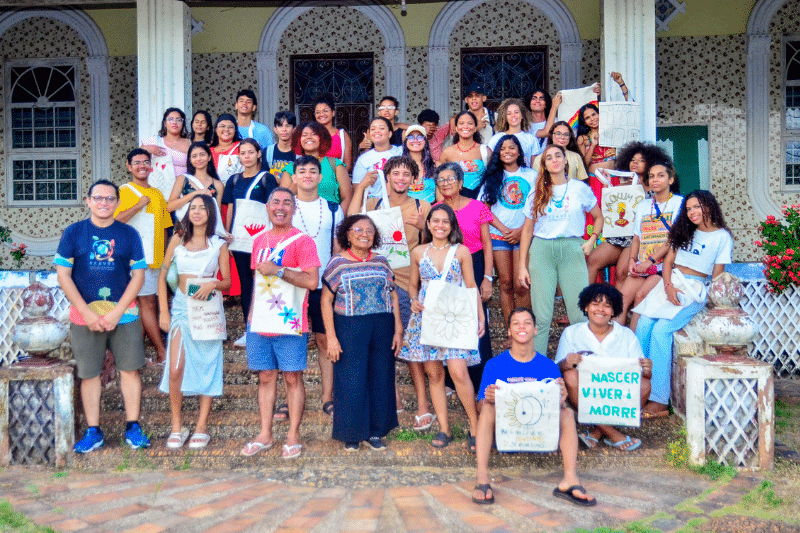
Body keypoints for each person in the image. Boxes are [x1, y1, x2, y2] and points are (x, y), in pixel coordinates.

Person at [55, 180, 150, 453]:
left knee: (130, 370)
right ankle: (93, 431)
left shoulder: (129, 234)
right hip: (84, 315)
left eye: (110, 199)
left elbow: (139, 275)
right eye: (98, 198)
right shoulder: (74, 233)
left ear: (117, 203)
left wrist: (118, 311)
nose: (104, 203)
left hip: (125, 314)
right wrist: (86, 313)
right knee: (89, 374)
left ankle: (133, 427)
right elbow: (63, 275)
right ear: (88, 201)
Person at [472, 307, 595, 507]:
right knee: (486, 408)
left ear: (535, 330)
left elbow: (557, 406)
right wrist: (488, 398)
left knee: (567, 413)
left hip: (538, 424)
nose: (522, 327)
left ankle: (570, 480)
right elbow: (479, 407)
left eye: (527, 323)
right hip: (507, 425)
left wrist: (561, 397)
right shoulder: (494, 365)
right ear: (509, 331)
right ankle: (482, 478)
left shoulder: (548, 366)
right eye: (516, 323)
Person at [349, 155, 432, 426]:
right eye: (395, 173)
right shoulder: (373, 204)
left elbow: (438, 242)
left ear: (413, 179)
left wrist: (424, 228)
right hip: (378, 283)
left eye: (406, 174)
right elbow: (350, 223)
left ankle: (422, 404)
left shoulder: (422, 206)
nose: (400, 179)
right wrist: (361, 188)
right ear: (387, 178)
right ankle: (393, 396)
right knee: (383, 345)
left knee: (412, 347)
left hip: (409, 285)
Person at [635, 190, 732, 418]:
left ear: (709, 206)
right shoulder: (684, 231)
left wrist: (710, 304)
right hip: (670, 283)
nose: (692, 212)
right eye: (688, 209)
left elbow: (716, 277)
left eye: (697, 207)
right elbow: (668, 262)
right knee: (644, 325)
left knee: (661, 331)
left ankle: (659, 400)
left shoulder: (722, 237)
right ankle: (637, 390)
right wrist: (668, 286)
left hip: (694, 289)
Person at [240, 187, 320, 458]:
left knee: (292, 377)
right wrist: (251, 315)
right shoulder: (259, 240)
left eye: (287, 202)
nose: (281, 207)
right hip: (260, 319)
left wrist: (280, 270)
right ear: (267, 206)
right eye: (276, 202)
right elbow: (258, 282)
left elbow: (312, 281)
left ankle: (293, 435)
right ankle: (265, 434)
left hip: (290, 321)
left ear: (294, 209)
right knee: (264, 377)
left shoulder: (303, 241)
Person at [400, 204, 485, 450]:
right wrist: (414, 300)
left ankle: (474, 425)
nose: (440, 225)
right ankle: (444, 428)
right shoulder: (418, 252)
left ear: (452, 225)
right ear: (427, 224)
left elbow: (471, 286)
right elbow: (413, 285)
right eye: (435, 221)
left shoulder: (462, 252)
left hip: (454, 315)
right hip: (426, 318)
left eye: (445, 221)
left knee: (458, 372)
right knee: (435, 375)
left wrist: (479, 317)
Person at [322, 215, 403, 451]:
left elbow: (393, 295)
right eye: (358, 229)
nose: (364, 234)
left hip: (382, 325)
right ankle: (352, 434)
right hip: (349, 327)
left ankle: (376, 432)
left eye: (369, 230)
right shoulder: (337, 263)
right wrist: (331, 337)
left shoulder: (381, 261)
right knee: (350, 379)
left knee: (380, 377)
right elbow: (326, 301)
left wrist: (398, 329)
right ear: (347, 234)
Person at [157, 195, 231, 449]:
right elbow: (163, 274)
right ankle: (177, 426)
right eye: (193, 208)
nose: (197, 211)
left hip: (207, 309)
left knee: (208, 363)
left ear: (211, 213)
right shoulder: (177, 239)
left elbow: (227, 283)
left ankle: (201, 426)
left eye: (202, 207)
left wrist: (213, 283)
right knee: (175, 368)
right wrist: (163, 312)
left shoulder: (219, 244)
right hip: (180, 307)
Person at [518, 145, 603, 355]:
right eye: (549, 157)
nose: (554, 160)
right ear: (544, 165)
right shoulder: (537, 191)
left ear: (566, 160)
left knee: (579, 313)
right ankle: (538, 366)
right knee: (542, 315)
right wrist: (522, 265)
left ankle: (581, 365)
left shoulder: (579, 188)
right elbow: (527, 231)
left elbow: (599, 217)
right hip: (542, 250)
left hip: (572, 248)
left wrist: (592, 239)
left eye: (558, 156)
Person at [557, 284, 652, 451]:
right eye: (595, 304)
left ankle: (597, 431)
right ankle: (614, 434)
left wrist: (647, 369)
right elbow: (558, 370)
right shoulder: (572, 333)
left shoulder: (626, 335)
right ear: (585, 307)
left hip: (616, 395)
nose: (600, 309)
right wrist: (566, 362)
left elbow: (641, 374)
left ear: (614, 311)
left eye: (607, 306)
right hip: (584, 395)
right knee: (570, 375)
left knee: (645, 384)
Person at [290, 155, 344, 419]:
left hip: (323, 285)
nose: (308, 175)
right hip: (291, 284)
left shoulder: (334, 208)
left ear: (321, 177)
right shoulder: (284, 206)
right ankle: (290, 397)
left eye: (313, 171)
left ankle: (327, 396)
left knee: (324, 340)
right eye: (302, 171)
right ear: (294, 177)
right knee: (291, 342)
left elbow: (337, 249)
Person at [434, 162, 494, 391]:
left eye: (451, 179)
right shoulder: (436, 209)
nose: (446, 183)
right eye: (441, 180)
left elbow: (487, 243)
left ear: (460, 182)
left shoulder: (477, 206)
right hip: (447, 267)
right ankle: (452, 379)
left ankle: (482, 380)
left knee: (478, 322)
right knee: (451, 320)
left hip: (476, 263)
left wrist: (488, 278)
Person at [114, 148, 173, 364]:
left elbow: (165, 227)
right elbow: (113, 220)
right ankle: (161, 352)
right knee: (147, 304)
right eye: (137, 162)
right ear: (128, 166)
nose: (142, 166)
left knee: (144, 305)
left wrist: (167, 256)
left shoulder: (157, 194)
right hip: (134, 259)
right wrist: (138, 206)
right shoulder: (122, 191)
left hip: (155, 258)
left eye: (146, 162)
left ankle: (136, 355)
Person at [221, 139, 279, 347]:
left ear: (258, 155)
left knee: (264, 281)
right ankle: (250, 329)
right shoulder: (234, 180)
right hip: (239, 238)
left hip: (262, 239)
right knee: (247, 283)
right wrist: (227, 235)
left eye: (250, 152)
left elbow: (273, 206)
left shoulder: (267, 179)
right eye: (242, 153)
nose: (246, 156)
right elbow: (230, 208)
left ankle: (271, 326)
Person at [618, 158, 683, 330]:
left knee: (640, 296)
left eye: (660, 176)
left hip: (663, 266)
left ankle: (635, 348)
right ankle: (616, 347)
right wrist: (632, 260)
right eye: (652, 176)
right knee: (621, 299)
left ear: (670, 180)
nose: (655, 179)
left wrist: (651, 261)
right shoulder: (643, 205)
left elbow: (673, 239)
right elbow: (637, 237)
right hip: (642, 265)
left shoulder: (679, 203)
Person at [478, 134, 535, 324]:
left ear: (519, 151)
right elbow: (484, 208)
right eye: (502, 149)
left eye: (511, 148)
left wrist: (521, 230)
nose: (507, 152)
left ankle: (525, 325)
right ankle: (511, 327)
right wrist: (503, 229)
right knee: (505, 283)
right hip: (498, 235)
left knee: (521, 284)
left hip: (524, 234)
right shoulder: (492, 176)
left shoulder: (531, 175)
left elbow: (538, 206)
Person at [280, 121, 352, 213]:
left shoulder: (335, 165)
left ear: (322, 138)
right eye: (304, 135)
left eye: (314, 134)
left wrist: (336, 219)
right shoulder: (290, 169)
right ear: (299, 140)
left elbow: (347, 197)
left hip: (331, 221)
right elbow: (283, 200)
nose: (309, 137)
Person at [166, 142, 225, 226]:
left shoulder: (218, 184)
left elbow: (217, 215)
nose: (198, 159)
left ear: (209, 157)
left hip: (206, 232)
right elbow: (170, 207)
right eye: (194, 156)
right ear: (190, 160)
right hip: (184, 230)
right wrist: (196, 193)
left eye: (202, 155)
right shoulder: (182, 179)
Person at [438, 111, 491, 199]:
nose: (465, 127)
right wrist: (444, 207)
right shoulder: (447, 152)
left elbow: (493, 179)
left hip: (479, 202)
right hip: (454, 204)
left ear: (475, 128)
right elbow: (439, 182)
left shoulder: (485, 151)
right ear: (456, 128)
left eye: (470, 123)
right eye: (461, 123)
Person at [140, 107, 192, 192]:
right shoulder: (154, 141)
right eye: (170, 119)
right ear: (165, 123)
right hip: (157, 189)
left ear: (183, 123)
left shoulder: (190, 143)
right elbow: (131, 160)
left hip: (183, 189)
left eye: (178, 120)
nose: (174, 122)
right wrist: (146, 148)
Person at [352, 117, 403, 199]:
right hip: (374, 206)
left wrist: (399, 125)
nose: (376, 131)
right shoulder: (363, 159)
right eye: (373, 129)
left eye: (382, 128)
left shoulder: (401, 151)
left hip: (399, 203)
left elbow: (418, 132)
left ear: (390, 133)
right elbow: (357, 188)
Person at [487, 98, 539, 165]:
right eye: (509, 113)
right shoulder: (496, 138)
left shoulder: (531, 139)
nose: (513, 115)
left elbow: (534, 166)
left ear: (522, 115)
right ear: (505, 117)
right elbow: (490, 163)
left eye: (516, 112)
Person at [313, 94, 353, 172]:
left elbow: (347, 165)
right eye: (318, 112)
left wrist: (334, 178)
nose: (321, 114)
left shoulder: (342, 135)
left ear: (333, 112)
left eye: (325, 111)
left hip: (336, 181)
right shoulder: (310, 135)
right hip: (314, 181)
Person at [401, 125, 437, 204]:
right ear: (405, 141)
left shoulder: (435, 165)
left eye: (420, 137)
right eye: (410, 137)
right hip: (406, 211)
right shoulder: (399, 165)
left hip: (431, 210)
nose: (415, 140)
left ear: (425, 141)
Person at [209, 113, 244, 186]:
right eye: (222, 126)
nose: (226, 129)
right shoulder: (208, 151)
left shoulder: (242, 147)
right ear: (216, 129)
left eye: (230, 127)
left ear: (235, 130)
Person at [264, 110, 297, 178]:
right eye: (280, 126)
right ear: (275, 129)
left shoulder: (299, 154)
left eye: (288, 126)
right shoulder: (267, 152)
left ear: (294, 129)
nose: (284, 129)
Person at [527, 89, 553, 153]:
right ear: (529, 103)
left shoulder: (555, 120)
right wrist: (554, 106)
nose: (537, 101)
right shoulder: (526, 125)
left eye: (541, 98)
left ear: (546, 104)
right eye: (534, 98)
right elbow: (547, 132)